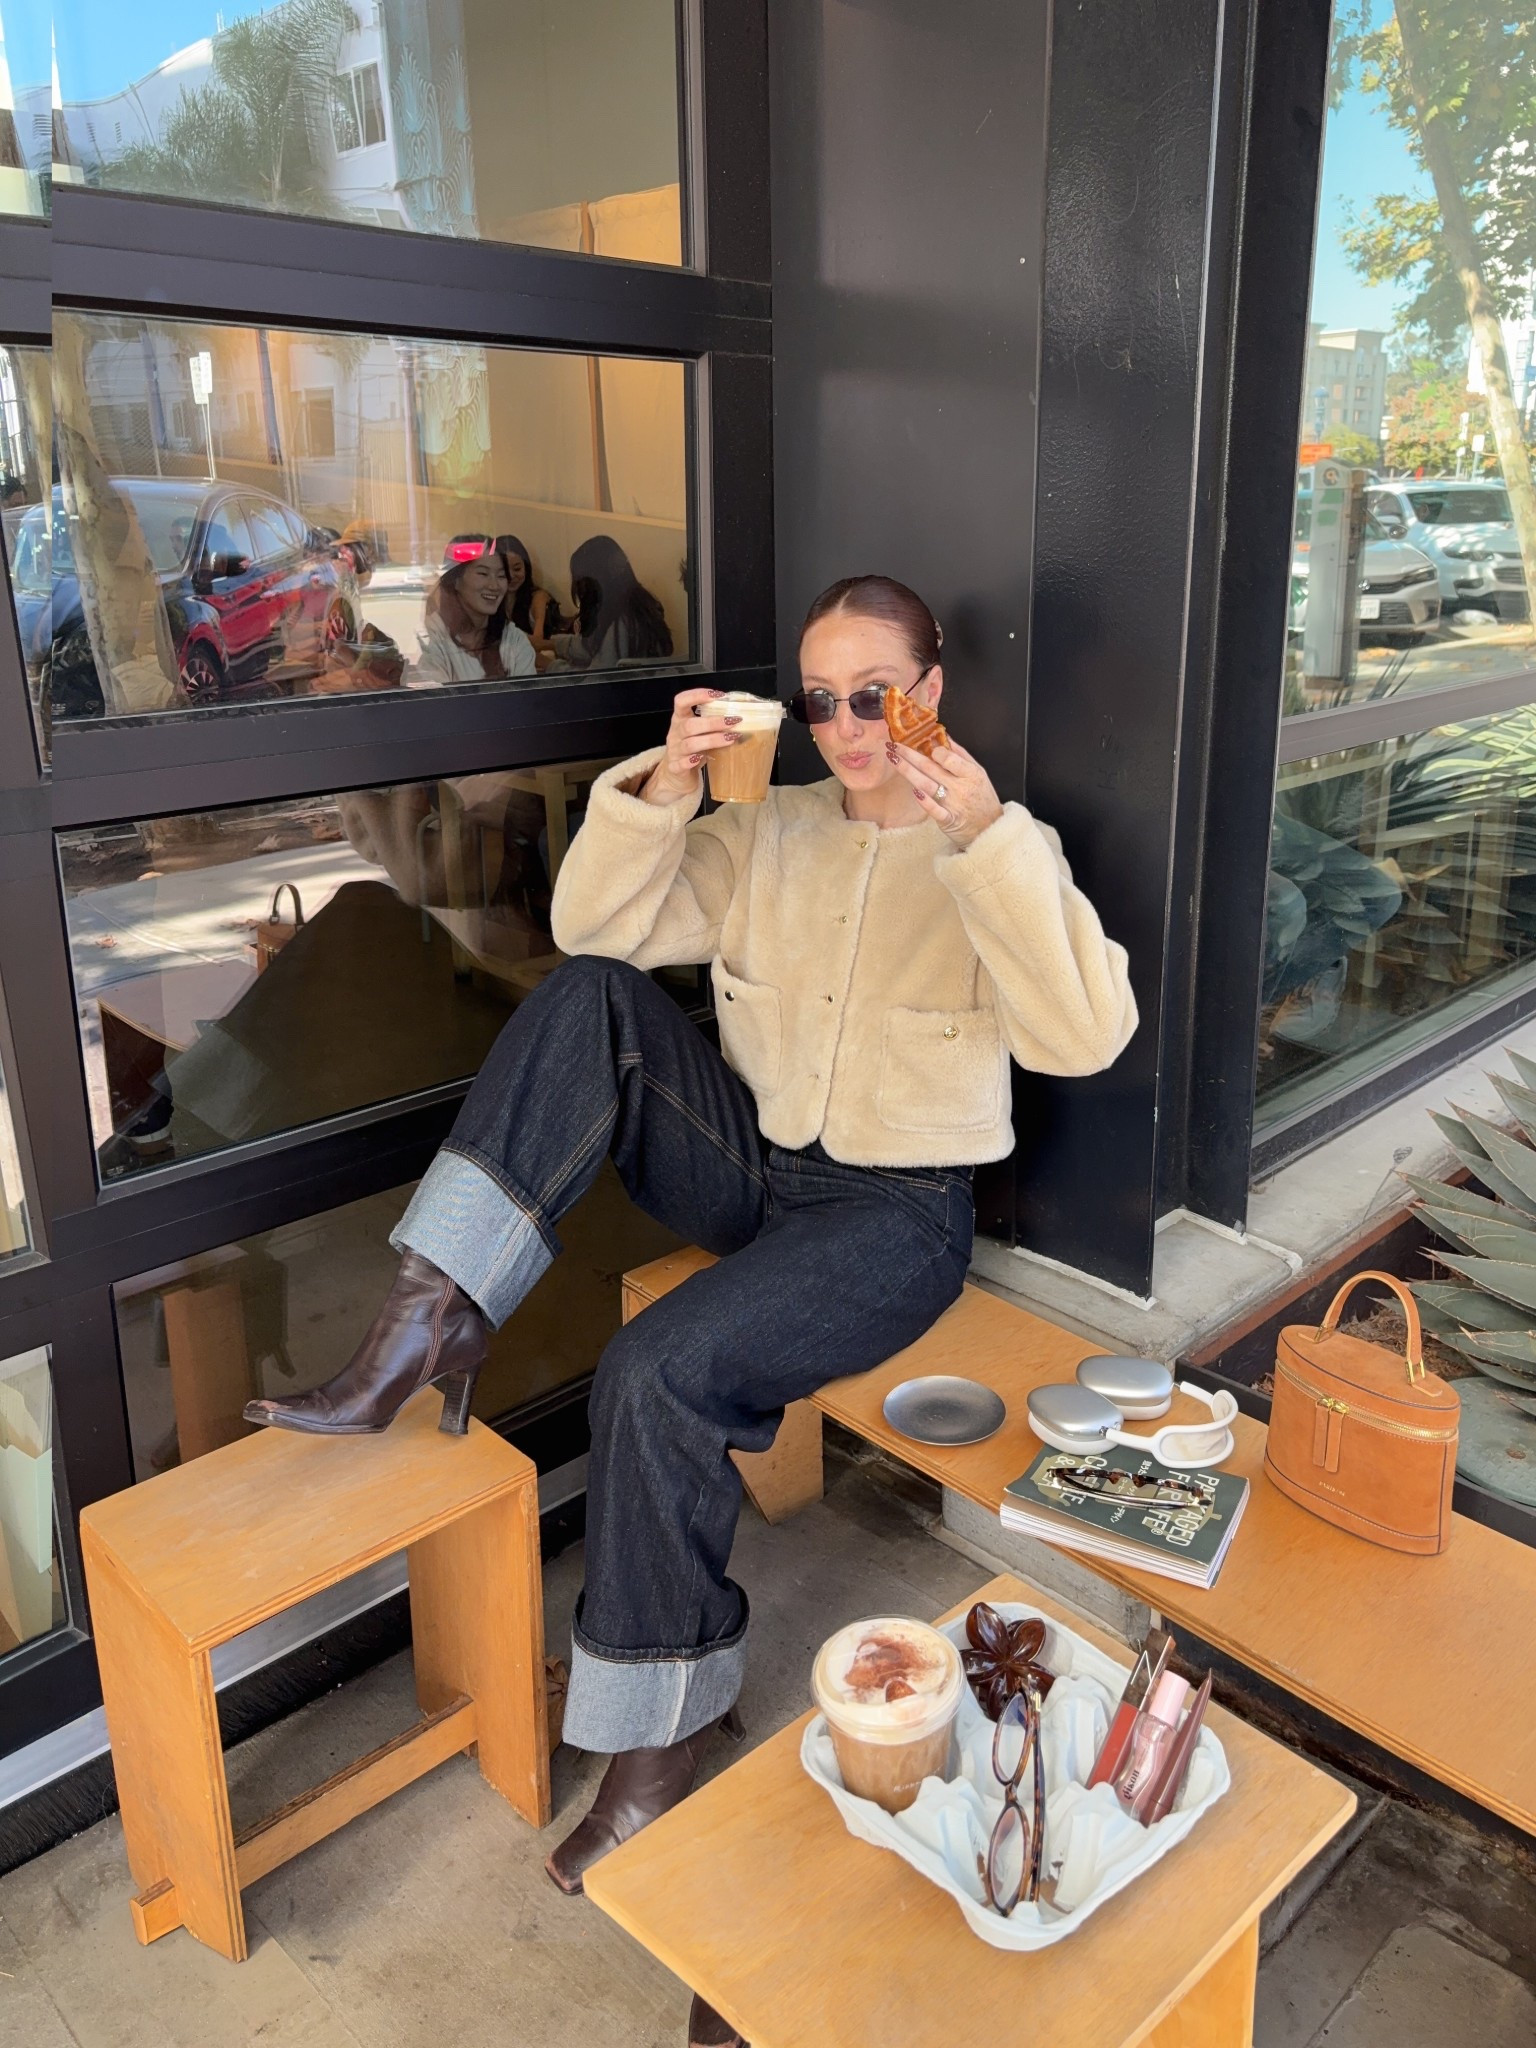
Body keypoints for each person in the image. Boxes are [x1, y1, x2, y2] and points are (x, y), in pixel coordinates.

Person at [241, 574, 1135, 2048]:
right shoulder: (769, 828)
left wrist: (983, 833)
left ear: (928, 696)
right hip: (761, 1170)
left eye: (876, 695)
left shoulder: (995, 851)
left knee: (655, 1368)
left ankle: (660, 1740)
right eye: (825, 696)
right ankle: (430, 1309)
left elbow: (1084, 1035)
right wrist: (661, 781)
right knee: (590, 998)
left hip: (896, 1219)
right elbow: (596, 922)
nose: (848, 726)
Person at [415, 536, 538, 683]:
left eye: (501, 575)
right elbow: (434, 702)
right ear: (455, 580)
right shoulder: (430, 638)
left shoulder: (513, 639)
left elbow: (526, 700)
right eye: (483, 574)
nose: (494, 586)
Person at [551, 532, 673, 669]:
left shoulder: (622, 625)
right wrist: (550, 643)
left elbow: (595, 684)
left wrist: (551, 666)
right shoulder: (638, 603)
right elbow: (590, 644)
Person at [493, 531, 565, 666]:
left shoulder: (538, 598)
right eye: (505, 571)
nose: (512, 576)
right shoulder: (488, 600)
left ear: (526, 567)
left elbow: (538, 641)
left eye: (517, 569)